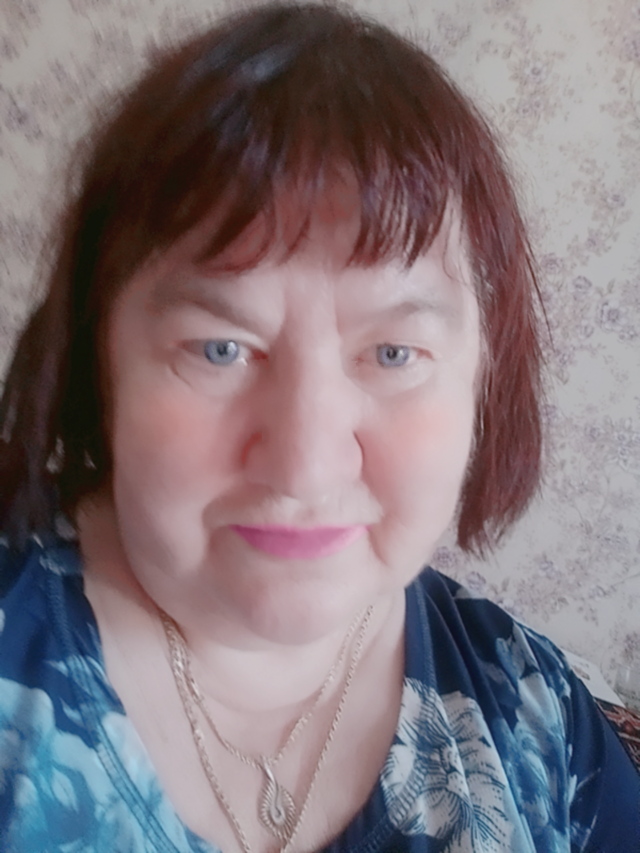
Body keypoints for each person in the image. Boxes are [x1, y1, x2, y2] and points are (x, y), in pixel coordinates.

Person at [0, 2, 638, 851]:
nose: (305, 463)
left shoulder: (542, 722)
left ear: (485, 385)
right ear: (97, 362)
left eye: (394, 353)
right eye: (220, 348)